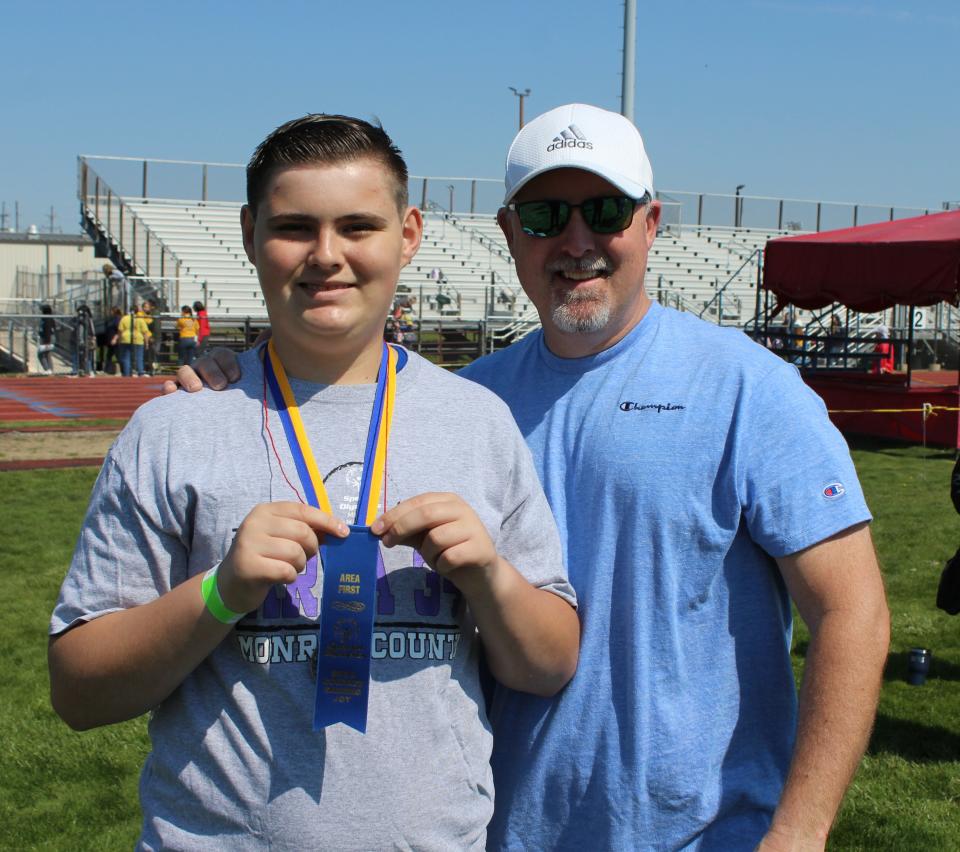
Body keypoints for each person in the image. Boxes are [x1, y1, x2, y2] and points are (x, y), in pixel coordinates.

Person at [171, 103, 890, 850]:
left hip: (704, 834)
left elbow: (852, 613)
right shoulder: (465, 403)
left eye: (605, 210)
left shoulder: (748, 389)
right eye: (547, 216)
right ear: (511, 234)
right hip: (502, 828)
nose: (577, 242)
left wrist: (801, 830)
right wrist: (228, 380)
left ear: (651, 222)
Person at [49, 113, 578, 850]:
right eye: (295, 226)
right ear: (249, 233)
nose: (326, 255)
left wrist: (490, 575)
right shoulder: (175, 429)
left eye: (358, 226)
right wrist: (220, 591)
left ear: (410, 233)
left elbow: (550, 665)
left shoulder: (479, 423)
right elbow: (78, 691)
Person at [117, 303, 150, 376]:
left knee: (126, 357)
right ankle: (140, 371)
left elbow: (120, 330)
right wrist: (146, 343)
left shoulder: (125, 318)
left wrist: (119, 339)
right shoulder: (140, 319)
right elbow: (145, 332)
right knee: (139, 356)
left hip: (125, 338)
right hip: (138, 338)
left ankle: (126, 373)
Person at [70, 303, 96, 376]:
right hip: (85, 339)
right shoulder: (86, 319)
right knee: (85, 355)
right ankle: (85, 370)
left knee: (85, 355)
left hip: (85, 339)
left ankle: (85, 369)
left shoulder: (85, 319)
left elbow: (87, 329)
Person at [37, 303, 55, 374]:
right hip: (46, 337)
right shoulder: (45, 318)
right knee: (47, 354)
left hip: (47, 338)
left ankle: (48, 369)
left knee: (41, 354)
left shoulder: (47, 318)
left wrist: (47, 341)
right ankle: (49, 369)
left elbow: (48, 330)